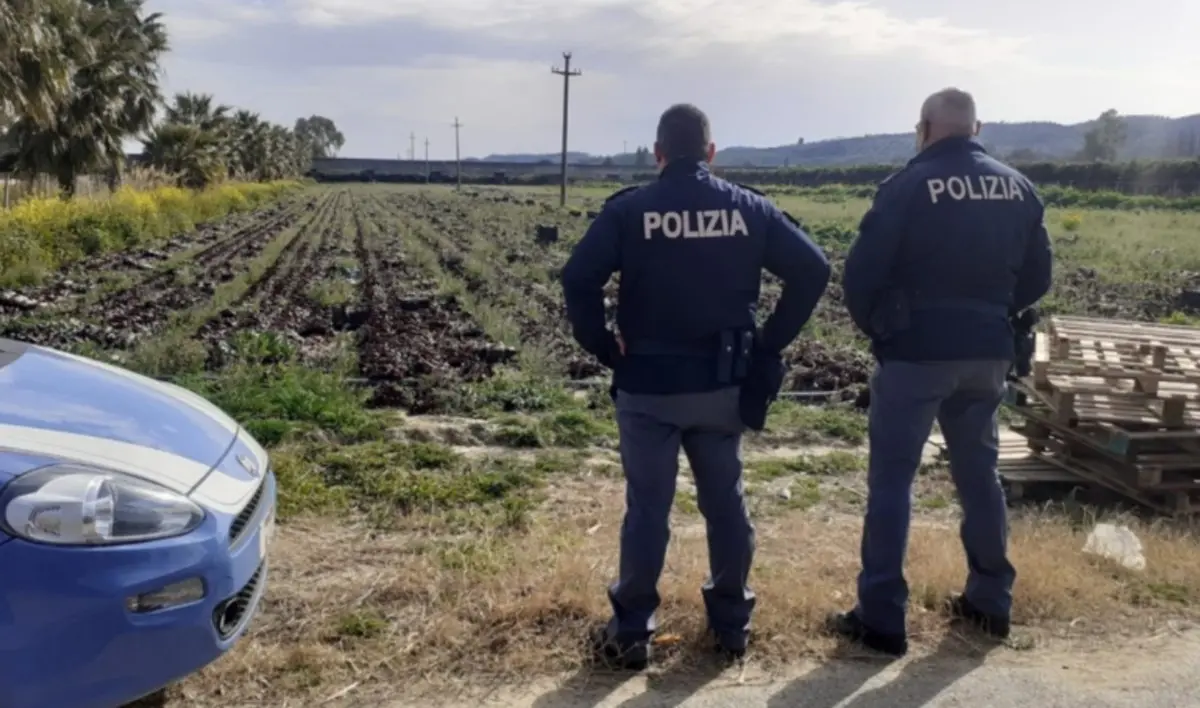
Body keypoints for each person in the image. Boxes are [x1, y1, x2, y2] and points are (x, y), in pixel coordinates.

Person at [561, 103, 831, 669]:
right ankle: (731, 626)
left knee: (647, 509)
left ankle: (632, 629)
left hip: (648, 387)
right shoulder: (749, 209)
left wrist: (604, 346)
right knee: (725, 503)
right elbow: (814, 269)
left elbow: (578, 276)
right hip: (722, 385)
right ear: (711, 153)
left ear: (658, 153)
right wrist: (770, 343)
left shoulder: (631, 210)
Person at [829, 88, 1053, 657]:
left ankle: (881, 618)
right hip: (988, 352)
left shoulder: (907, 186)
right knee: (979, 476)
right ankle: (990, 602)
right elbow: (1037, 277)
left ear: (924, 128)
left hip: (916, 353)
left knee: (892, 481)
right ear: (976, 128)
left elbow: (861, 275)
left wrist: (884, 331)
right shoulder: (1018, 187)